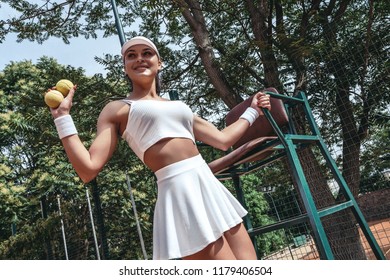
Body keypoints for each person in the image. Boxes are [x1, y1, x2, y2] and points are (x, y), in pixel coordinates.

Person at [50, 36, 271, 260]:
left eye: (147, 53)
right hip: (179, 192)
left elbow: (223, 140)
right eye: (131, 55)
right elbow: (88, 169)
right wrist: (63, 118)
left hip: (208, 186)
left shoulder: (178, 106)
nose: (139, 59)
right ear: (125, 67)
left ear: (159, 62)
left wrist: (252, 111)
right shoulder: (117, 109)